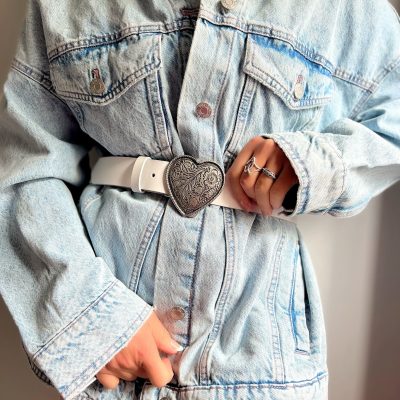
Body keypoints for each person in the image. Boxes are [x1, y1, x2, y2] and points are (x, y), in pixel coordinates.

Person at [0, 1, 399, 399]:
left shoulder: (347, 11)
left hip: (259, 360)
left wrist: (311, 165)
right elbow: (25, 164)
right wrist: (93, 316)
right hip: (112, 362)